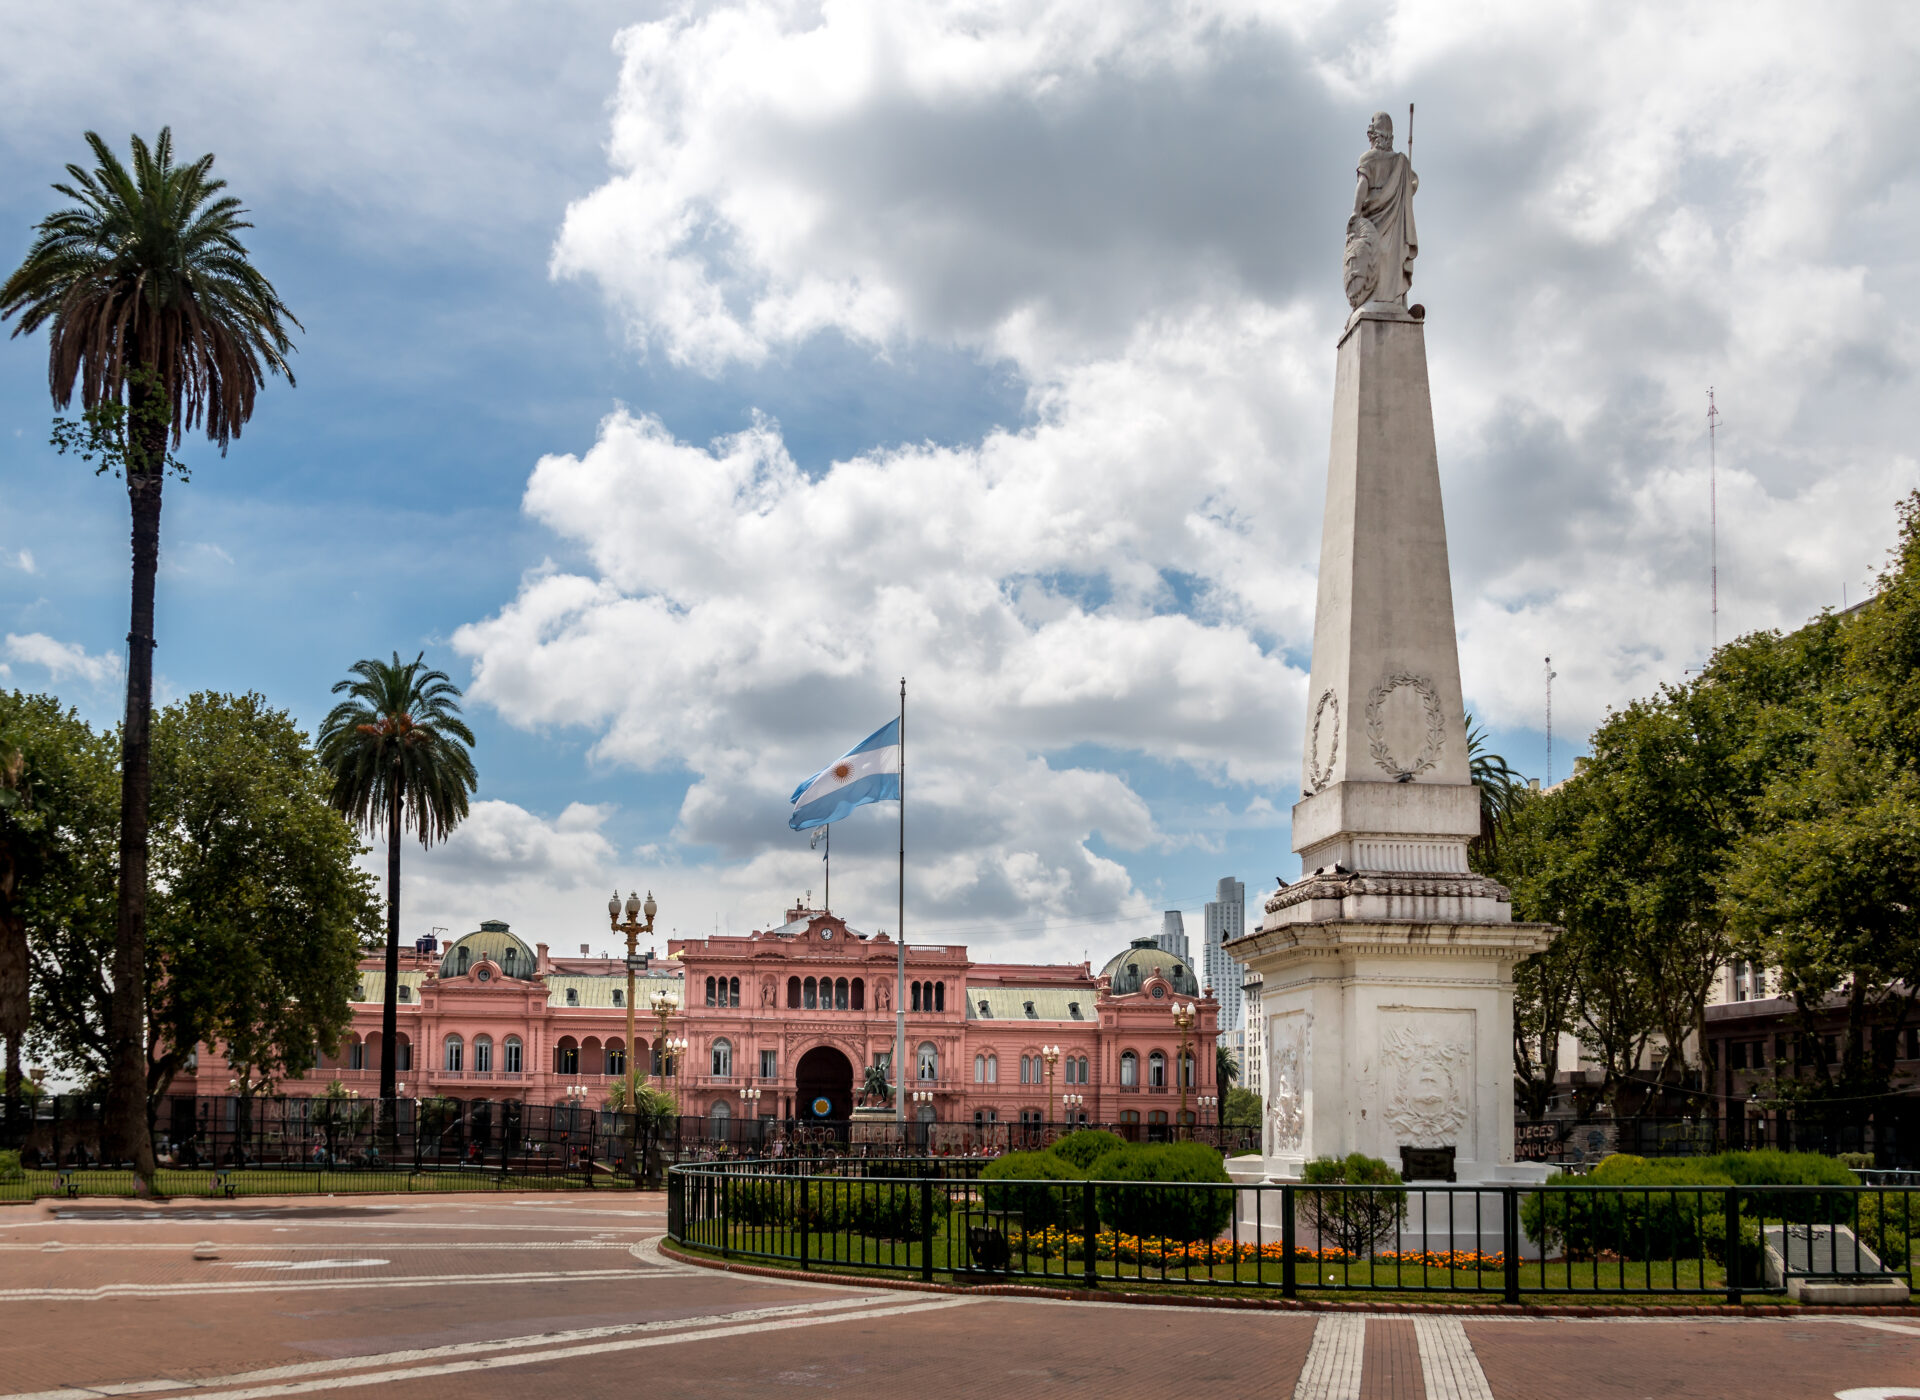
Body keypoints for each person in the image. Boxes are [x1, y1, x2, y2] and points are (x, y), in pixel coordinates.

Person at [1346, 110, 1418, 308]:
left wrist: (1355, 212)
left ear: (1373, 135)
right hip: (1393, 219)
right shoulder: (1401, 162)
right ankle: (1394, 302)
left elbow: (1362, 185)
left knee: (1375, 257)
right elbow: (1412, 186)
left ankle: (1374, 301)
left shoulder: (1368, 158)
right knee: (1391, 259)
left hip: (1374, 220)